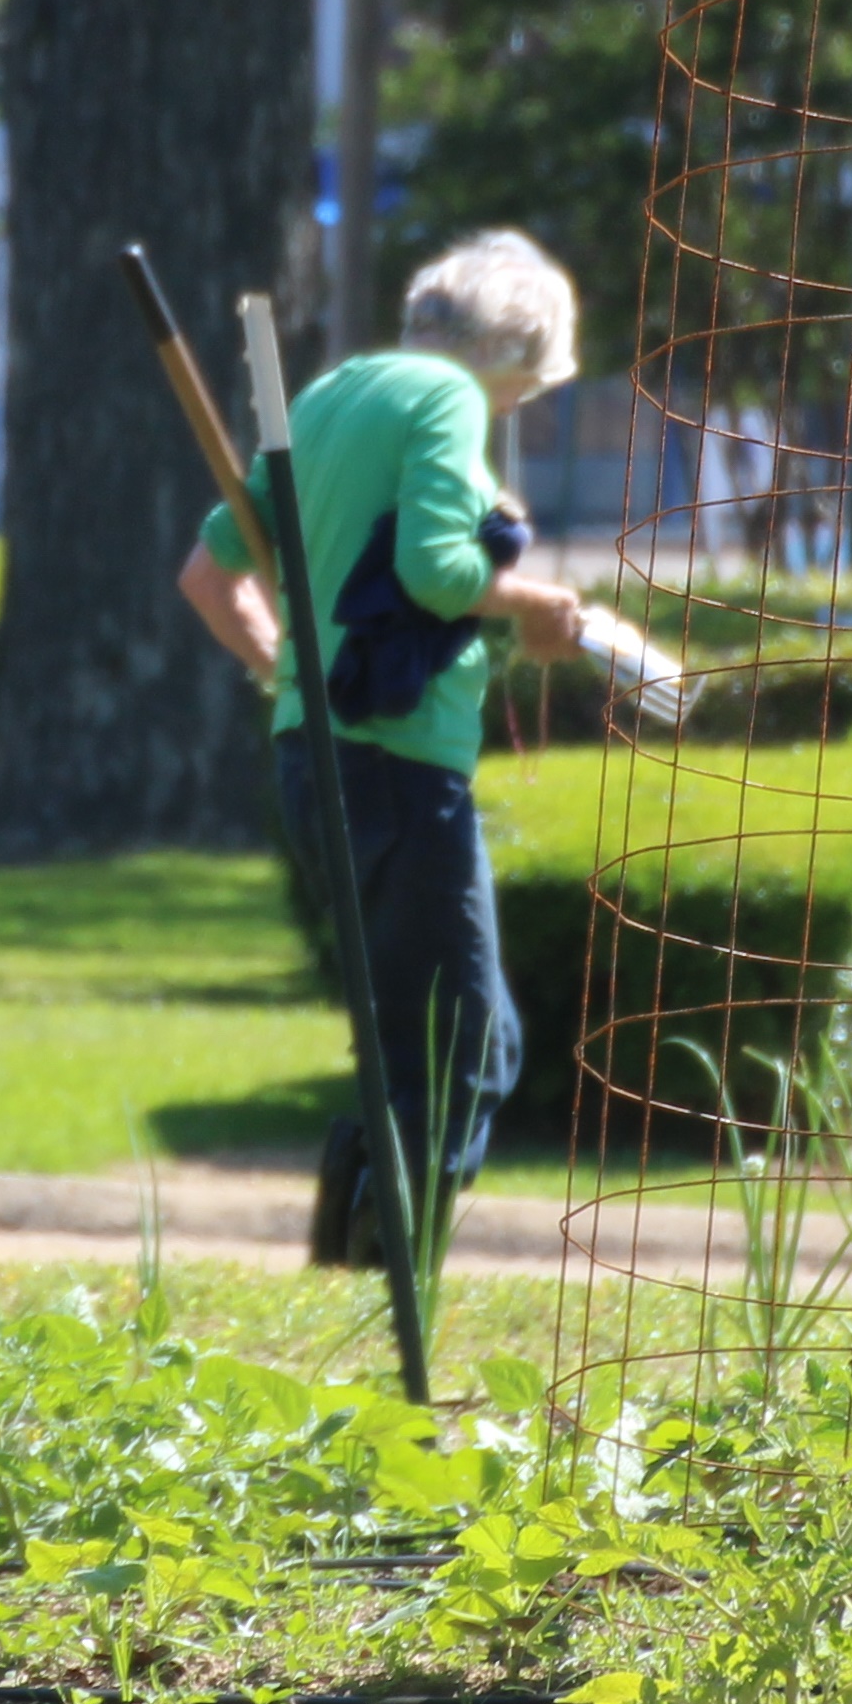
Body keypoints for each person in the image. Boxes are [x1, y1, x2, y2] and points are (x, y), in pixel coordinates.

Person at [176, 231, 590, 1266]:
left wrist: (285, 669)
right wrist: (535, 605)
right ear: (516, 352)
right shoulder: (445, 398)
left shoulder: (328, 397)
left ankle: (347, 1274)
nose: (512, 413)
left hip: (312, 761)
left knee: (407, 1040)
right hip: (404, 764)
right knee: (469, 1051)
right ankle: (392, 1282)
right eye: (523, 394)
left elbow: (206, 574)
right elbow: (438, 574)